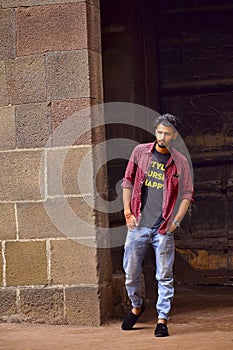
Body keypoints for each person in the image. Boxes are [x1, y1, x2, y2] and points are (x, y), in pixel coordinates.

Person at [121, 114, 193, 337]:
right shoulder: (140, 152)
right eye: (159, 132)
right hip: (139, 224)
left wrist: (176, 222)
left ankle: (162, 319)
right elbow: (128, 181)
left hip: (163, 228)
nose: (162, 137)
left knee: (164, 275)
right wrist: (127, 212)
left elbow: (188, 194)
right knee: (131, 273)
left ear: (175, 135)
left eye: (167, 133)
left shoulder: (180, 161)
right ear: (156, 132)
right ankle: (137, 306)